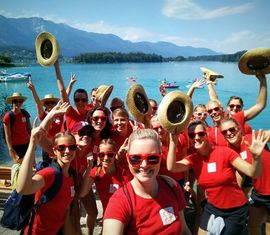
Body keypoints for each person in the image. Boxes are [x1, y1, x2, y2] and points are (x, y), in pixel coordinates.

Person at [167, 120, 268, 235]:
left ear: (206, 134)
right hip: (212, 207)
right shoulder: (193, 159)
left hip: (235, 210)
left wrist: (256, 157)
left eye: (201, 134)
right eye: (192, 135)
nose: (196, 137)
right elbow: (172, 167)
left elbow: (253, 172)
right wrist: (172, 141)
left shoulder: (225, 152)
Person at [103, 129, 191, 235]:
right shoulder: (120, 201)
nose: (144, 165)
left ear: (160, 156)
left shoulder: (171, 186)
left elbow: (184, 230)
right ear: (127, 159)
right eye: (135, 158)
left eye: (152, 158)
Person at [16, 102, 77, 235]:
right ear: (54, 151)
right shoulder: (50, 173)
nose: (67, 151)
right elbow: (23, 188)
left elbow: (65, 214)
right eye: (61, 147)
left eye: (72, 147)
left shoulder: (71, 176)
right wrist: (32, 145)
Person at [220, 117, 270, 235]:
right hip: (259, 193)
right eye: (224, 132)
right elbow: (239, 175)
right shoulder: (232, 151)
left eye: (232, 129)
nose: (229, 133)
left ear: (239, 129)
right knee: (252, 226)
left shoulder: (254, 138)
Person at [206, 73, 267, 145]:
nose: (214, 112)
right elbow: (214, 99)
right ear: (227, 107)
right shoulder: (218, 116)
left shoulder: (237, 118)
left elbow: (260, 105)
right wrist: (209, 82)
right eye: (232, 106)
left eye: (238, 106)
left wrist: (263, 81)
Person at [79, 138, 132, 214]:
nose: (106, 158)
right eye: (101, 155)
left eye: (110, 154)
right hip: (107, 215)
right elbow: (82, 193)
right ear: (98, 155)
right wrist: (89, 167)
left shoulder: (124, 175)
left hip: (124, 215)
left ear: (115, 155)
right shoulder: (96, 171)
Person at [27, 78, 63, 164]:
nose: (50, 105)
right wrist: (33, 90)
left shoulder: (60, 114)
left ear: (55, 104)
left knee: (59, 167)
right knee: (47, 168)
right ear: (45, 106)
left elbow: (64, 96)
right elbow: (38, 103)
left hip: (59, 145)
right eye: (47, 103)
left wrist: (70, 85)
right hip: (46, 146)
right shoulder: (43, 116)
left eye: (52, 102)